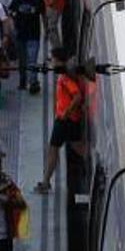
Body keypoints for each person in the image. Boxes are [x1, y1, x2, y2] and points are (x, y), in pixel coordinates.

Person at [36, 48, 85, 194]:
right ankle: (45, 182)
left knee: (54, 149)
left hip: (65, 120)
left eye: (53, 59)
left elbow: (77, 96)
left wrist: (66, 112)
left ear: (59, 61)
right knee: (77, 147)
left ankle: (45, 182)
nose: (51, 62)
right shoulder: (64, 76)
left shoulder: (65, 78)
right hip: (68, 119)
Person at [7, 0, 44, 93]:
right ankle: (23, 82)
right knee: (22, 61)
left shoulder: (39, 1)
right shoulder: (17, 0)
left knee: (32, 60)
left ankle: (33, 82)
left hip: (34, 35)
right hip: (20, 35)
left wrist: (47, 30)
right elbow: (10, 14)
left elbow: (44, 16)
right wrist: (12, 28)